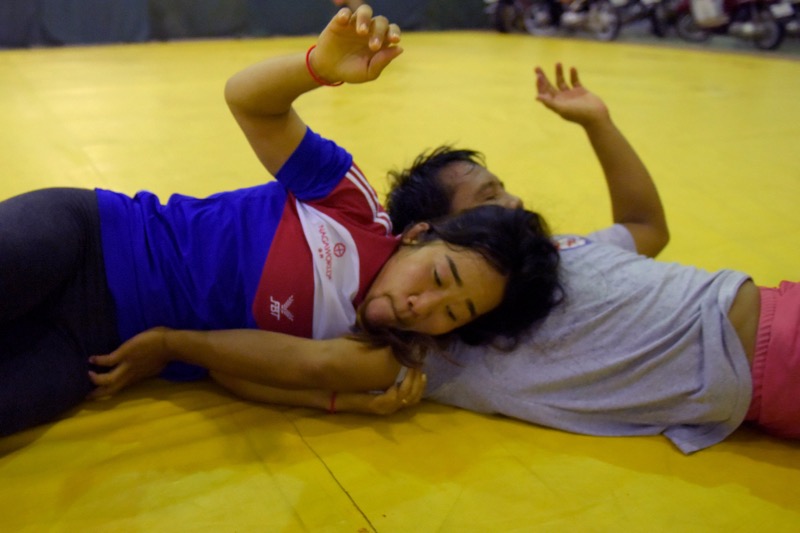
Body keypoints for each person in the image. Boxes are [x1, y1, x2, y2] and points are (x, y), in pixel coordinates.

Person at [99, 61, 798, 456]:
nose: (515, 203)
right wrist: (181, 346)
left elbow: (646, 226)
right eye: (492, 198)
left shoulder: (547, 256)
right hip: (763, 364)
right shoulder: (434, 338)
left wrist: (598, 123)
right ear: (432, 236)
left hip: (771, 307)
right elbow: (295, 368)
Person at [0, 5, 564, 437]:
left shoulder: (375, 355)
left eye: (453, 315)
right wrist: (317, 67)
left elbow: (259, 372)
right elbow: (247, 99)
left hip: (97, 347)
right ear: (417, 235)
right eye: (440, 280)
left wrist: (335, 400)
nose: (425, 308)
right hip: (94, 236)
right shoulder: (354, 206)